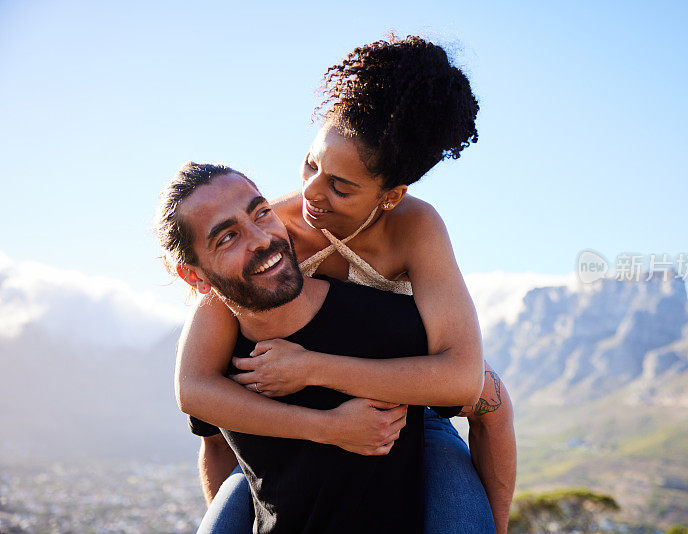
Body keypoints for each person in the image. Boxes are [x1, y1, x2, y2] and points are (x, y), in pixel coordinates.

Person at [175, 35, 516, 533]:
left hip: (409, 423)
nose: (310, 193)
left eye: (340, 186)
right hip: (283, 433)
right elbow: (199, 389)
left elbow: (463, 378)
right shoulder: (266, 232)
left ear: (391, 195)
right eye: (313, 163)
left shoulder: (416, 229)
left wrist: (312, 368)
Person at [156, 164, 501, 533]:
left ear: (392, 192)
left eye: (261, 213)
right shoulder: (222, 338)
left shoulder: (396, 307)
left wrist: (312, 368)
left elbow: (483, 396)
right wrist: (328, 427)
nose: (259, 238)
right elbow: (203, 415)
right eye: (226, 237)